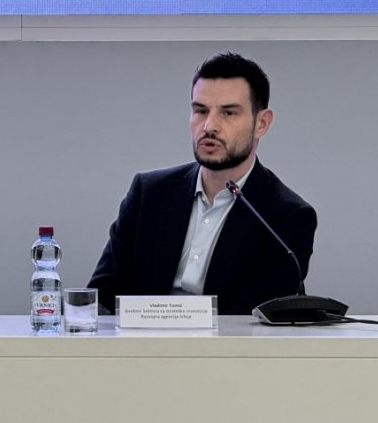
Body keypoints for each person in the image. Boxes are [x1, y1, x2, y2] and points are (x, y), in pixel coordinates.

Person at [87, 52, 316, 315]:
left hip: (227, 342)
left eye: (228, 113)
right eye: (201, 111)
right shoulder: (148, 193)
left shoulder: (287, 216)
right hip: (138, 339)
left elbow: (252, 319)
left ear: (261, 124)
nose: (209, 126)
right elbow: (102, 297)